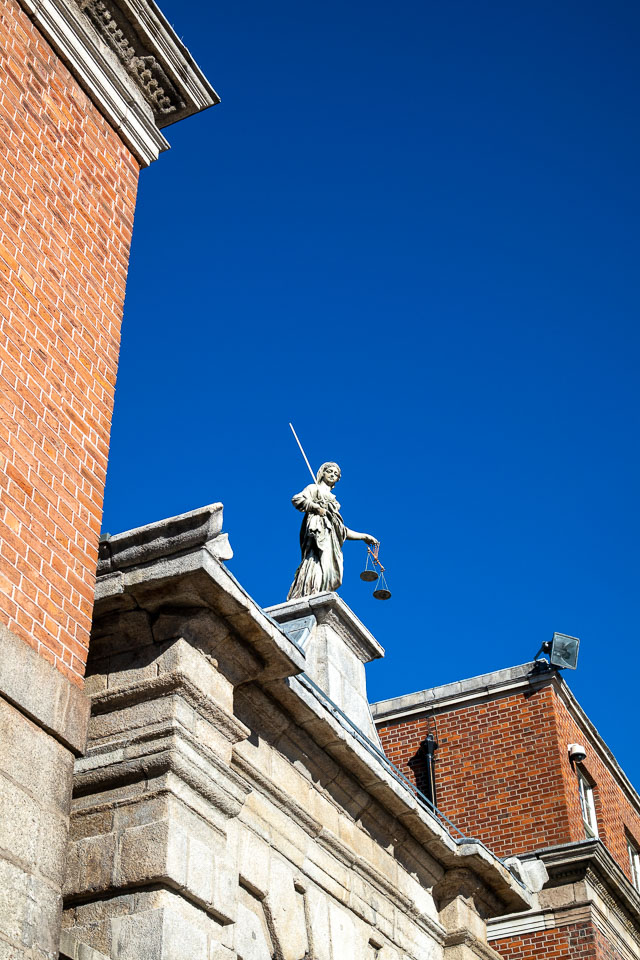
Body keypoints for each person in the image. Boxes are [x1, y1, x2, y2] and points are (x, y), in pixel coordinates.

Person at [287, 462, 378, 600]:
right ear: (322, 473)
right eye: (329, 471)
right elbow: (297, 499)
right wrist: (316, 508)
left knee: (333, 574)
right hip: (317, 533)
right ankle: (310, 591)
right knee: (316, 563)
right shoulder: (314, 488)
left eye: (336, 474)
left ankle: (319, 593)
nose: (332, 475)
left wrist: (363, 536)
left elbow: (340, 530)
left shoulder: (334, 502)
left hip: (330, 539)